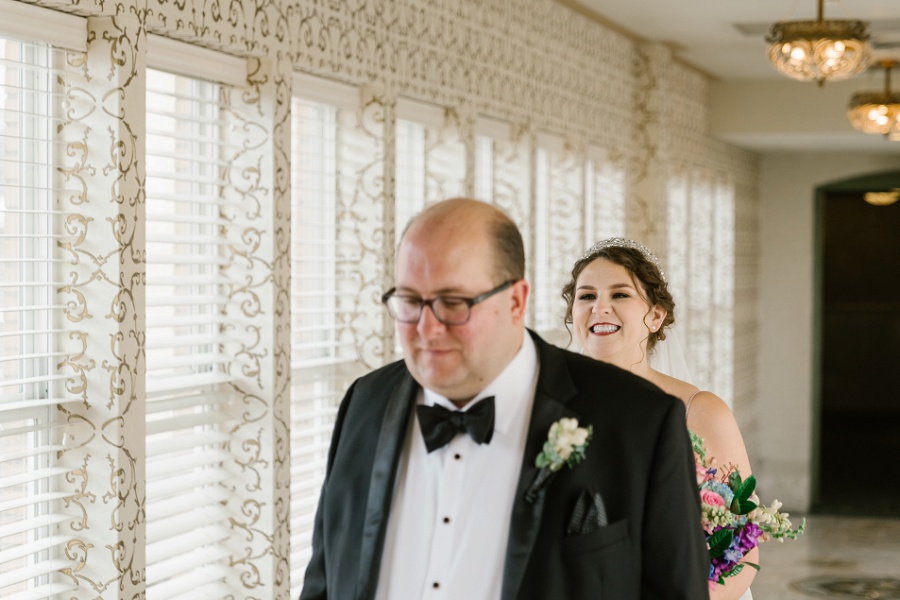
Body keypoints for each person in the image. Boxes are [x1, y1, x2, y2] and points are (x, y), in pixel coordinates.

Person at [300, 199, 709, 600]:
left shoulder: (639, 420)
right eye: (409, 302)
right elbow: (323, 582)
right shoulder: (364, 403)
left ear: (516, 301)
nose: (427, 327)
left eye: (452, 303)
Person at [562, 237, 757, 600]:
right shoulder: (550, 407)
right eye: (586, 296)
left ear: (655, 316)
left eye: (619, 295)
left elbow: (742, 555)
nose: (599, 308)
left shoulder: (699, 411)